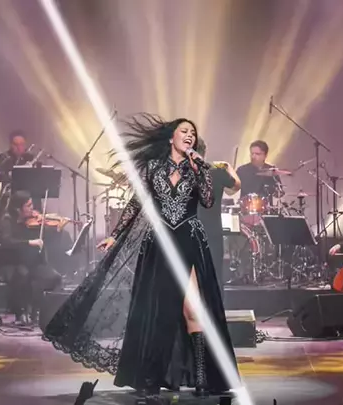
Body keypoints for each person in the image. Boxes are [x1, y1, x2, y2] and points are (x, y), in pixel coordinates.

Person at [43, 114, 238, 397]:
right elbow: (136, 203)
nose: (190, 136)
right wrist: (114, 234)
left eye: (193, 133)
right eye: (184, 131)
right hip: (160, 242)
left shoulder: (199, 168)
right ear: (171, 137)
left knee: (192, 309)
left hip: (190, 240)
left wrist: (199, 170)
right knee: (157, 310)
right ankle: (149, 377)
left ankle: (200, 377)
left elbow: (207, 201)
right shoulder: (152, 167)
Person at [0, 191, 62, 325]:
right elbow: (6, 242)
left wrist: (56, 229)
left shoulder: (31, 221)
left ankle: (45, 312)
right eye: (28, 205)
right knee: (23, 275)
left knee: (55, 277)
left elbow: (47, 238)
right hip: (10, 263)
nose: (32, 208)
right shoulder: (7, 221)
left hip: (30, 262)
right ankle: (21, 312)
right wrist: (29, 242)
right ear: (17, 208)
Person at [195, 138, 241, 290]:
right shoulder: (217, 172)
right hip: (212, 231)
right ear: (204, 152)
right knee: (214, 275)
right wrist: (229, 168)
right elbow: (236, 186)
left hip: (187, 232)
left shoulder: (178, 174)